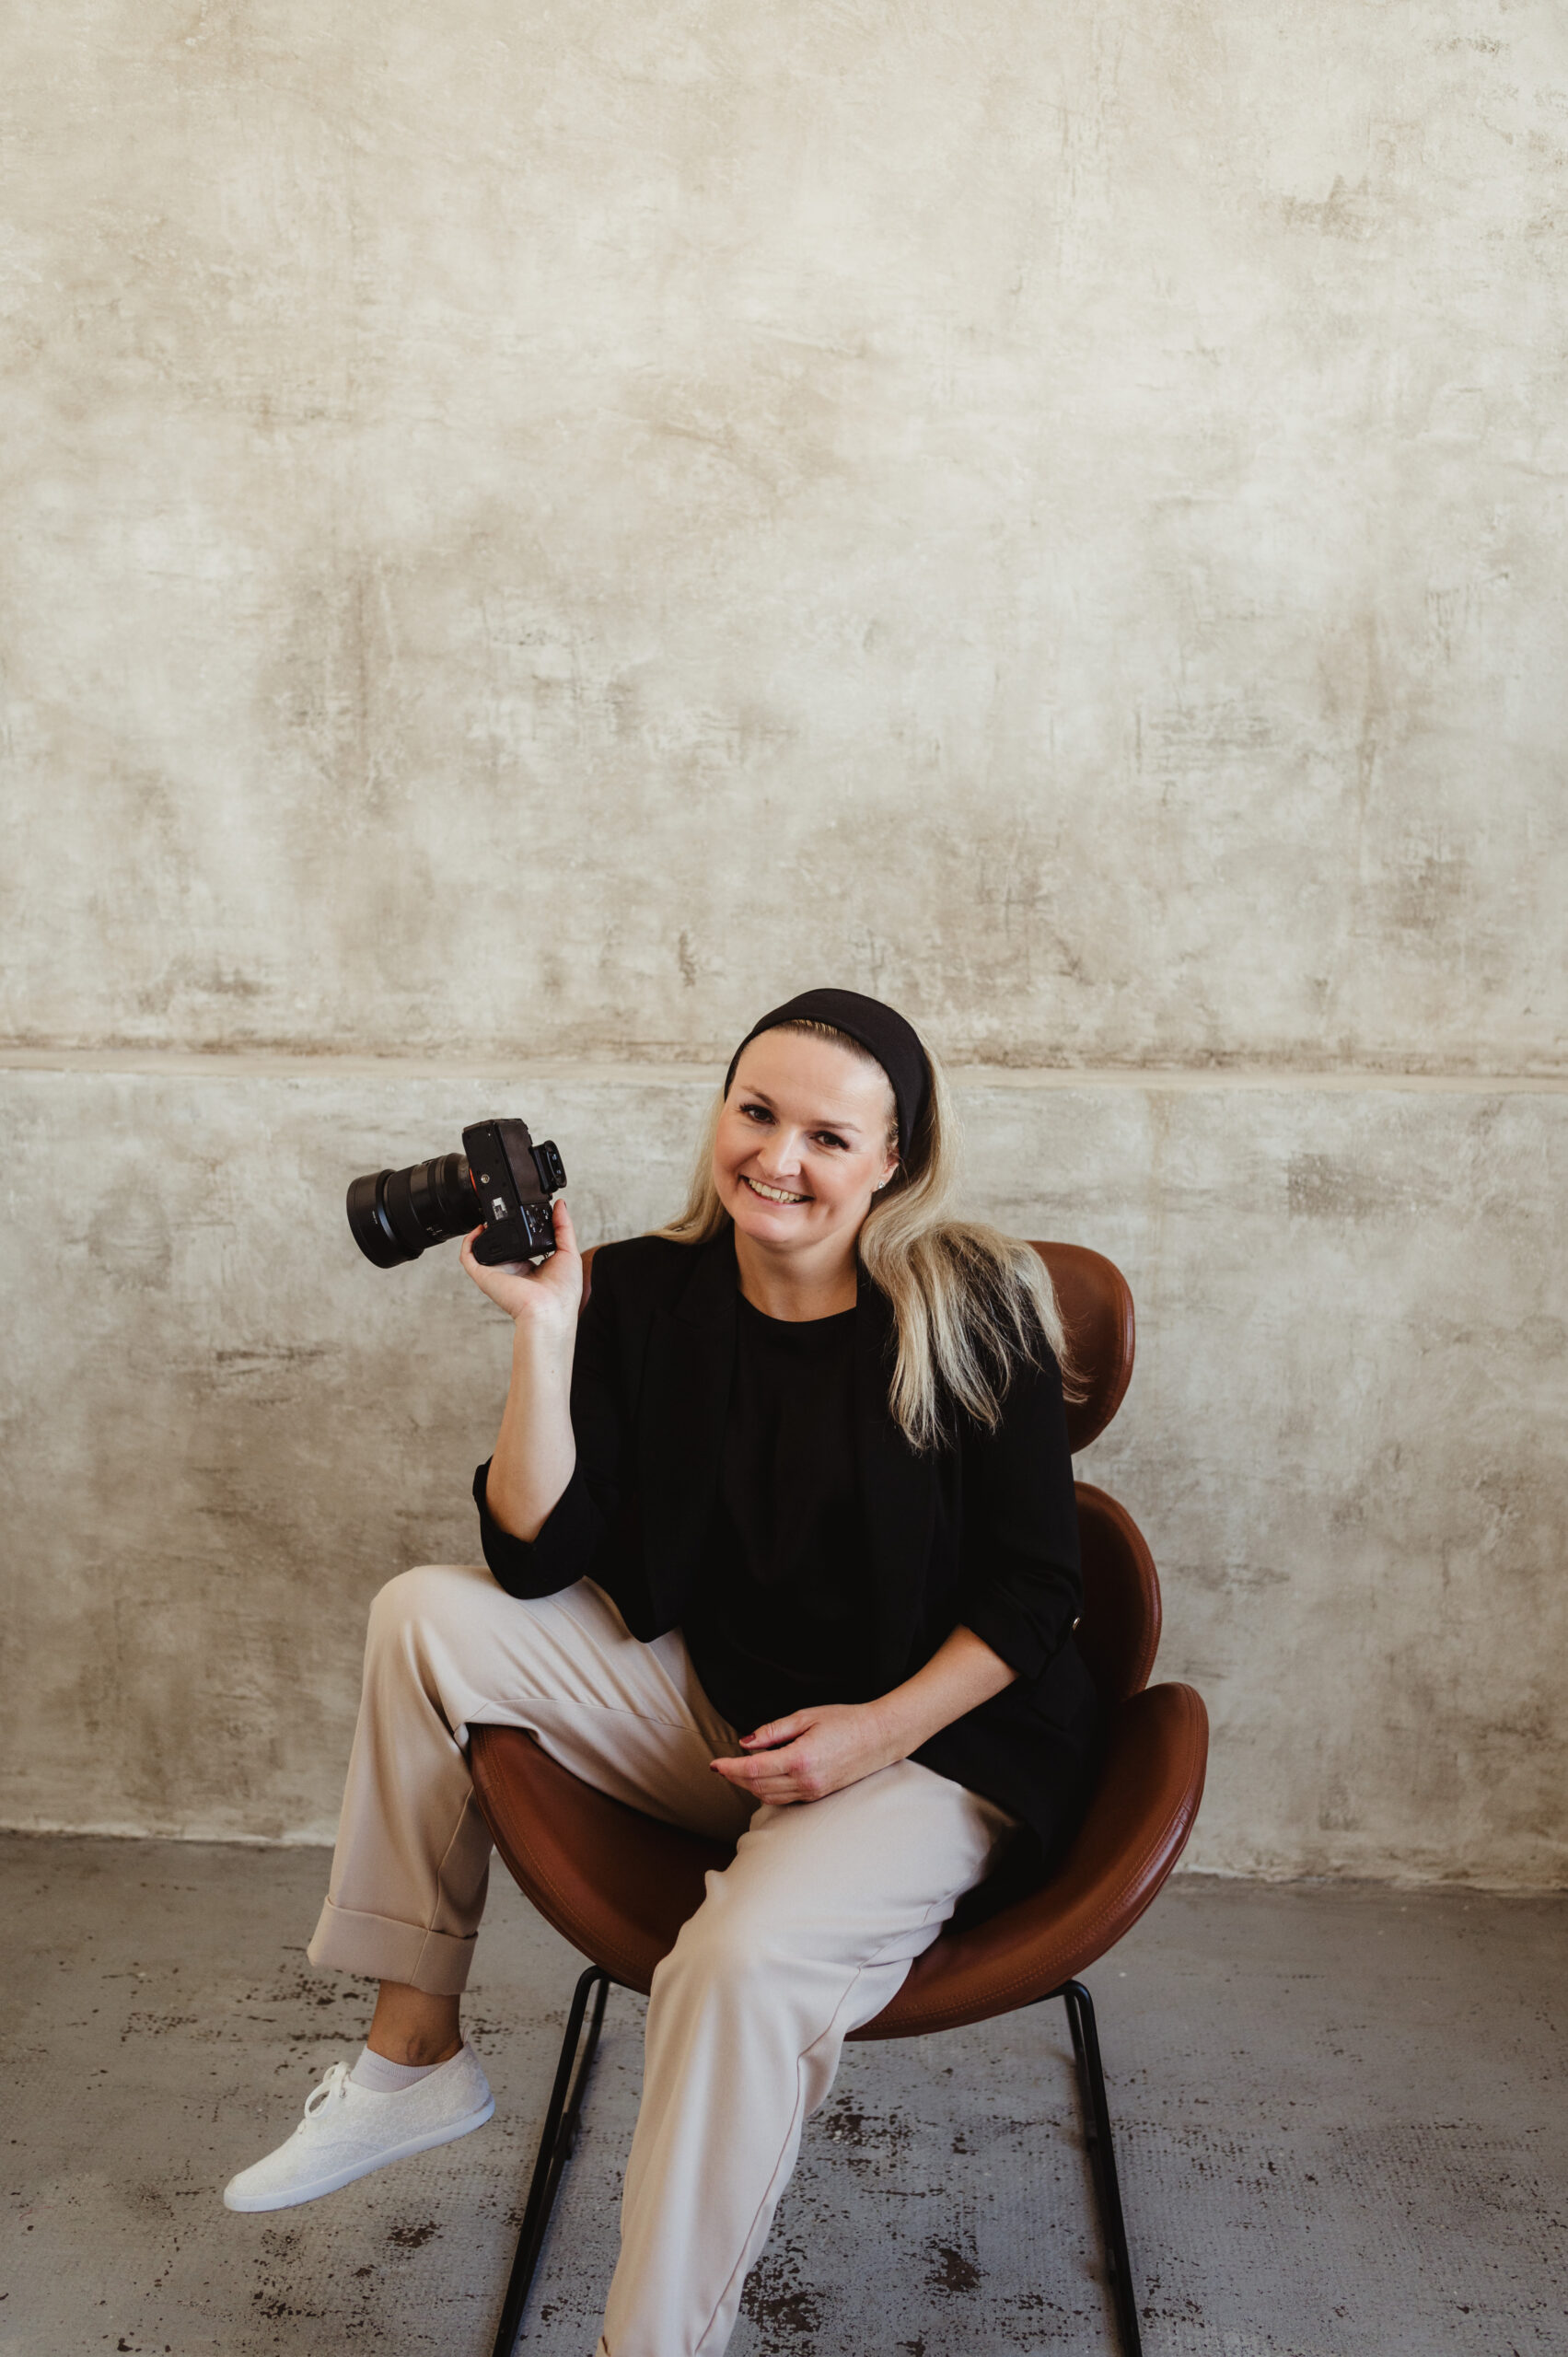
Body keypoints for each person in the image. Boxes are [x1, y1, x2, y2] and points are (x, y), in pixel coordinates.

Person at [223, 986, 1104, 2357]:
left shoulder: (971, 1305)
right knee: (422, 1615)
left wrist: (874, 1735)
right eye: (757, 1112)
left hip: (930, 1747)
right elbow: (535, 1557)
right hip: (728, 1713)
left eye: (828, 1136)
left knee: (734, 1966)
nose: (779, 1158)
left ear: (895, 1161)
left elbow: (1041, 1588)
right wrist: (546, 1328)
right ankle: (415, 2055)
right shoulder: (644, 1293)